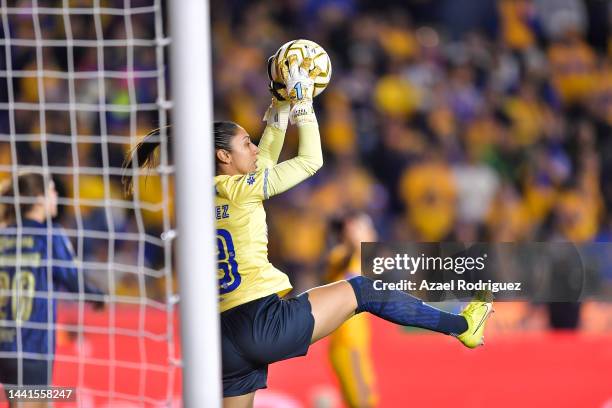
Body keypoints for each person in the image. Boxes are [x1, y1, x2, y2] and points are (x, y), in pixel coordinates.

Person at [127, 54, 494, 408]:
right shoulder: (244, 190)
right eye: (245, 143)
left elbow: (263, 162)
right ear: (224, 157)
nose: (254, 147)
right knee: (362, 290)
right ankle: (462, 324)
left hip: (223, 336)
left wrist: (278, 108)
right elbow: (311, 161)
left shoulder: (201, 197)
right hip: (261, 321)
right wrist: (302, 104)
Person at [0, 172, 105, 407]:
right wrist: (98, 296)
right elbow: (73, 281)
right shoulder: (49, 234)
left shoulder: (4, 234)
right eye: (51, 190)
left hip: (5, 345)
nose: (56, 196)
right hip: (33, 347)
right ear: (38, 199)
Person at [326, 210, 379, 408]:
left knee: (362, 401)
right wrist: (355, 243)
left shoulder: (363, 259)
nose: (371, 233)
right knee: (363, 402)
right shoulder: (340, 255)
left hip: (357, 344)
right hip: (346, 344)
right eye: (365, 228)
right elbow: (346, 269)